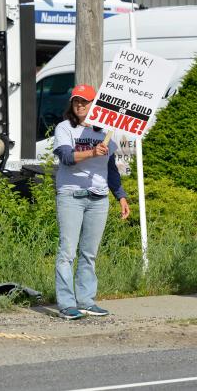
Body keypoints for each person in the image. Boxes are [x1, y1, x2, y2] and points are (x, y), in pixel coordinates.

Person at [52, 83, 131, 320]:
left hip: (98, 198)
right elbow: (66, 157)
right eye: (76, 101)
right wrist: (90, 153)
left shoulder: (104, 131)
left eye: (85, 102)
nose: (80, 105)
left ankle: (86, 300)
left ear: (94, 105)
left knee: (90, 253)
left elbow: (110, 168)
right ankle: (67, 304)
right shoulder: (65, 128)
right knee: (67, 252)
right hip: (71, 196)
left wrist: (121, 196)